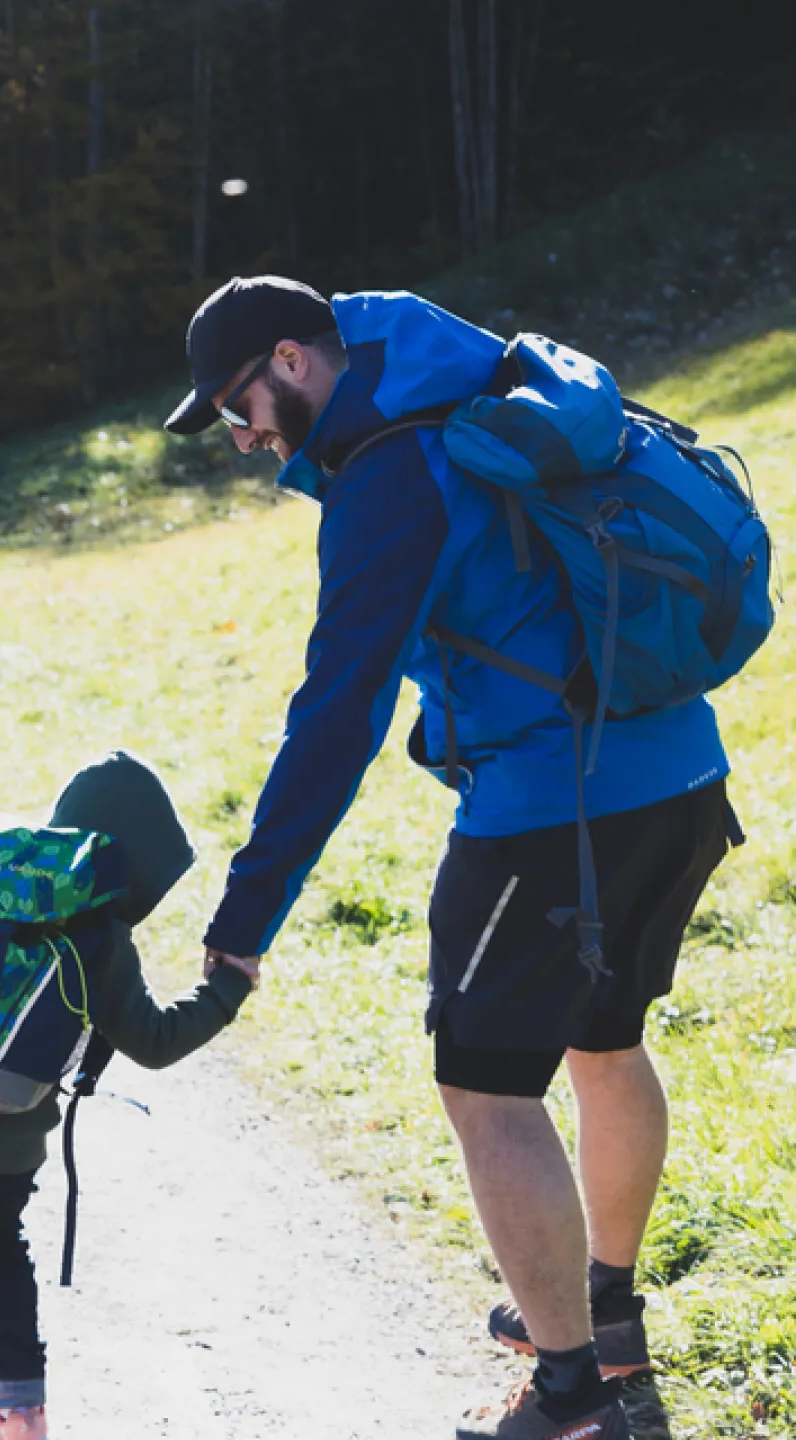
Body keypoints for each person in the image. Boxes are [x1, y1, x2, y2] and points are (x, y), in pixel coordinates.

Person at [163, 276, 740, 1440]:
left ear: (293, 358)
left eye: (241, 405)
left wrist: (243, 921)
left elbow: (338, 715)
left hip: (547, 814)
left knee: (485, 1088)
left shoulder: (390, 474)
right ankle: (603, 1320)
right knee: (604, 1040)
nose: (243, 437)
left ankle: (572, 1394)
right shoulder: (477, 380)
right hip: (679, 780)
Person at [0, 751, 255, 1440]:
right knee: (0, 1259)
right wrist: (228, 989)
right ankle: (21, 1418)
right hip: (4, 1146)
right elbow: (155, 1042)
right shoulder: (96, 935)